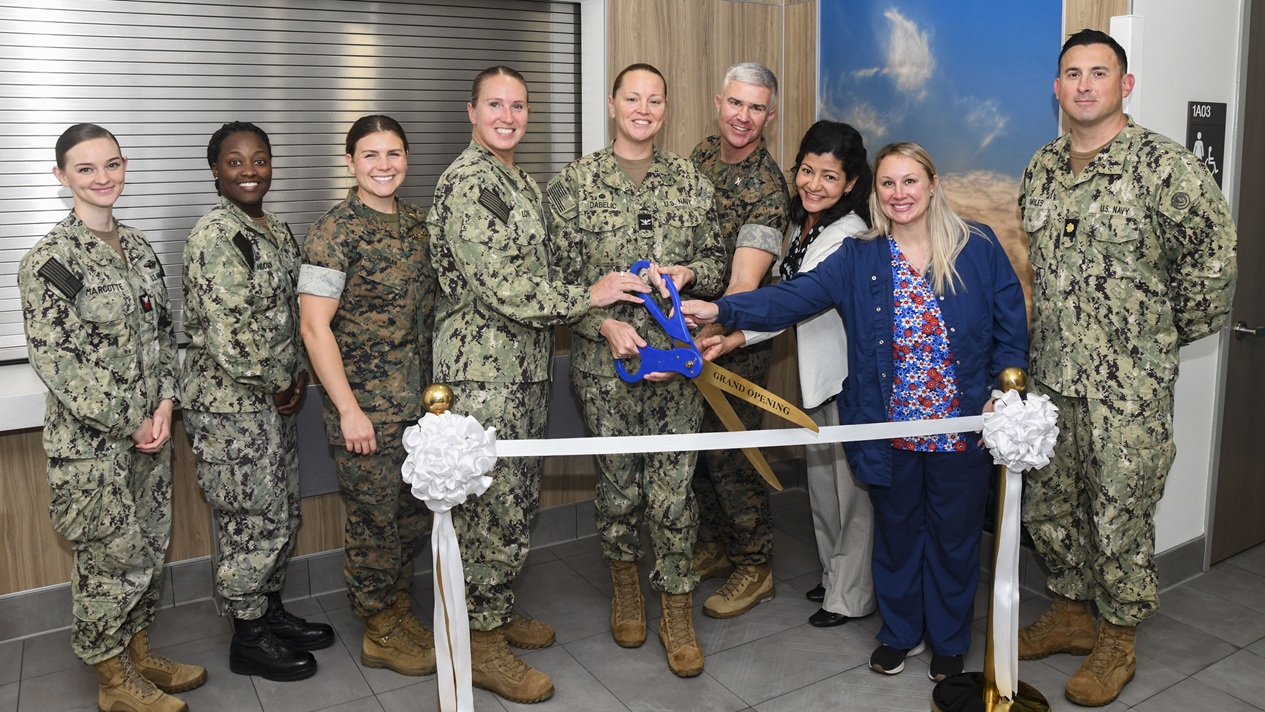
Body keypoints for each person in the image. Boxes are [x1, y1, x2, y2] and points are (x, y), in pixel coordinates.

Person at [683, 142, 1028, 683]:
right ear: (876, 192)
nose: (899, 194)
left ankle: (949, 640)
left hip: (960, 429)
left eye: (910, 181)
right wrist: (724, 308)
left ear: (933, 185)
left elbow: (1011, 324)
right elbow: (792, 298)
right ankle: (899, 632)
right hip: (887, 428)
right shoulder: (861, 257)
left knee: (955, 539)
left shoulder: (976, 246)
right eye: (888, 184)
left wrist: (1003, 393)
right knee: (896, 535)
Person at [1017, 29, 1237, 707]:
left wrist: (1156, 341)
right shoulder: (1042, 167)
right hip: (1053, 375)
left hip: (1128, 392)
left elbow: (1214, 263)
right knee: (1051, 506)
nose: (1084, 85)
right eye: (1072, 74)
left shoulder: (1163, 167)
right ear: (1056, 89)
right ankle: (1069, 613)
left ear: (1124, 85)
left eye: (1098, 73)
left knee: (1119, 512)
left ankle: (1116, 637)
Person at [426, 65, 649, 703]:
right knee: (489, 509)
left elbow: (549, 269)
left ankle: (492, 609)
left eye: (518, 105)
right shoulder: (470, 184)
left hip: (521, 369)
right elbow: (507, 286)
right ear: (471, 111)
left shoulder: (519, 181)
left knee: (514, 498)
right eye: (494, 104)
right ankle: (482, 645)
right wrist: (593, 296)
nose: (507, 115)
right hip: (481, 373)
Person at [546, 62, 726, 677]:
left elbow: (717, 259)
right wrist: (601, 323)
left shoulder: (691, 182)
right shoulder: (573, 186)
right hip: (606, 369)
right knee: (619, 487)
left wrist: (688, 274)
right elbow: (556, 283)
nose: (643, 109)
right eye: (632, 98)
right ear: (612, 103)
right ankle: (627, 588)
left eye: (654, 100)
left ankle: (677, 607)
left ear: (665, 109)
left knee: (675, 494)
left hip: (678, 367)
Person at [19, 123, 205, 712]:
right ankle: (113, 681)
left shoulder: (140, 249)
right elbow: (59, 361)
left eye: (113, 165)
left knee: (148, 549)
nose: (103, 179)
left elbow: (166, 336)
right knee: (107, 559)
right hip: (93, 449)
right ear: (60, 177)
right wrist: (131, 420)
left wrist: (167, 404)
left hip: (150, 434)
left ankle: (138, 649)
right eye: (86, 169)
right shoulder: (51, 261)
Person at [698, 119, 878, 629]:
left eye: (829, 176)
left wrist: (727, 324)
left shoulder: (847, 235)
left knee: (853, 494)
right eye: (806, 170)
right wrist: (733, 337)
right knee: (824, 485)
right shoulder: (802, 225)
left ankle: (850, 596)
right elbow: (783, 303)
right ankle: (832, 575)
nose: (813, 184)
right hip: (816, 381)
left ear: (850, 184)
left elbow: (792, 305)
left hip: (850, 381)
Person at [182, 121, 334, 682]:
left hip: (274, 399)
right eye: (235, 162)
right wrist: (279, 379)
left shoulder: (274, 229)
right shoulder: (215, 235)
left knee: (280, 512)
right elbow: (230, 333)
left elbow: (293, 312)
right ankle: (247, 636)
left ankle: (267, 612)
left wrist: (292, 379)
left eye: (260, 159)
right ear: (215, 170)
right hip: (232, 407)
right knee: (250, 519)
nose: (249, 171)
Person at [298, 114, 437, 678]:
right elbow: (314, 328)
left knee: (409, 519)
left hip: (420, 407)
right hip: (366, 411)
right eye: (371, 155)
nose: (384, 165)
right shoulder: (333, 232)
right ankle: (380, 629)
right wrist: (350, 410)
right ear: (350, 162)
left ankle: (400, 610)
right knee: (375, 522)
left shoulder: (418, 224)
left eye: (394, 154)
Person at [687, 61, 790, 620]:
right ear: (717, 103)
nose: (743, 117)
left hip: (732, 343)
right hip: (688, 334)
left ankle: (756, 564)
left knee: (732, 456)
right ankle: (717, 545)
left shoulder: (768, 189)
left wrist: (707, 333)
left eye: (756, 108)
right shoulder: (700, 158)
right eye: (736, 104)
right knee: (700, 451)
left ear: (769, 115)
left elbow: (744, 285)